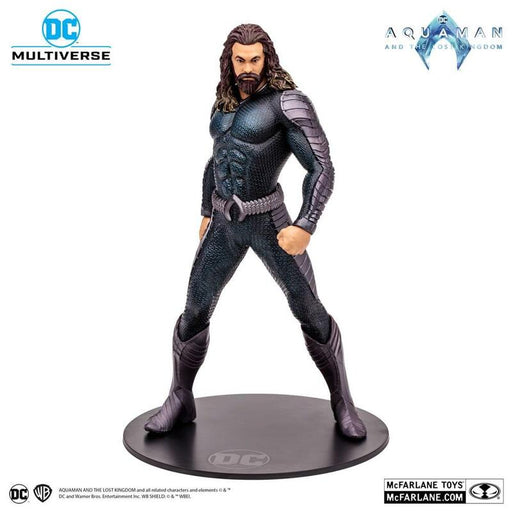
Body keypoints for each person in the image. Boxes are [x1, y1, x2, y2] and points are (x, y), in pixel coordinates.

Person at [144, 24, 366, 439]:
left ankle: (342, 401)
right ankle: (180, 397)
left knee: (307, 307)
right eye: (240, 59)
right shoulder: (224, 103)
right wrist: (205, 209)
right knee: (195, 307)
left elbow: (321, 167)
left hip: (269, 222)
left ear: (267, 59)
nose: (247, 67)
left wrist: (306, 223)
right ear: (229, 60)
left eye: (255, 59)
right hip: (224, 223)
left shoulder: (287, 103)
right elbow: (217, 159)